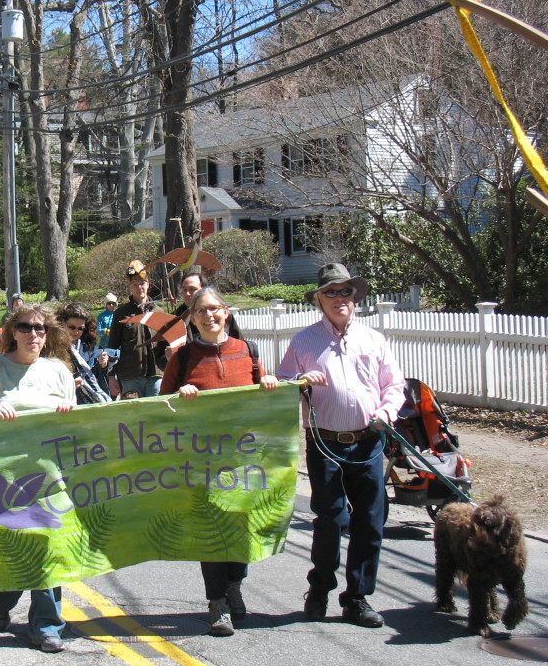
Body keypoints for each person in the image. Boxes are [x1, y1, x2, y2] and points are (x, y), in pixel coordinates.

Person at [276, 263, 405, 628]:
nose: (339, 298)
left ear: (355, 296)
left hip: (368, 442)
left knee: (370, 521)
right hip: (325, 443)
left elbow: (394, 386)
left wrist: (387, 412)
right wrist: (300, 381)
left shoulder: (373, 339)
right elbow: (284, 381)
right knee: (331, 518)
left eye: (345, 291)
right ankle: (320, 589)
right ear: (319, 299)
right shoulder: (303, 341)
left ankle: (357, 598)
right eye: (330, 292)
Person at [0, 303, 76, 653]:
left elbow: (77, 426)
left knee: (49, 548)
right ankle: (2, 601)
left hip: (49, 474)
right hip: (2, 476)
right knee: (12, 548)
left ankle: (47, 625)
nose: (33, 334)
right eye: (25, 327)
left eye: (40, 328)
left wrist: (70, 414)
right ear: (12, 332)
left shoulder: (59, 370)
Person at [160, 287, 278, 637]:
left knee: (240, 527)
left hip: (243, 459)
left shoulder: (248, 352)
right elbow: (159, 406)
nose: (209, 315)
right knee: (211, 531)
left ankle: (234, 585)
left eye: (215, 309)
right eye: (201, 310)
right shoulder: (182, 359)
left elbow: (265, 400)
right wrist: (179, 396)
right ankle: (217, 604)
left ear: (225, 313)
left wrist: (270, 382)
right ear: (192, 317)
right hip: (199, 461)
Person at [108, 260, 167, 398]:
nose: (139, 287)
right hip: (130, 376)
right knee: (133, 417)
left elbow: (167, 344)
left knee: (157, 413)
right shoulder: (121, 314)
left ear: (148, 285)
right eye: (135, 284)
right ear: (130, 287)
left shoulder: (160, 312)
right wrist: (111, 376)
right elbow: (113, 347)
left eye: (142, 283)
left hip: (157, 374)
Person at [56, 303, 110, 404]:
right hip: (64, 401)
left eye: (80, 328)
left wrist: (101, 365)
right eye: (72, 327)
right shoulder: (53, 347)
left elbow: (92, 377)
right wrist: (70, 384)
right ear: (62, 323)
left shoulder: (87, 346)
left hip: (88, 401)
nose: (76, 331)